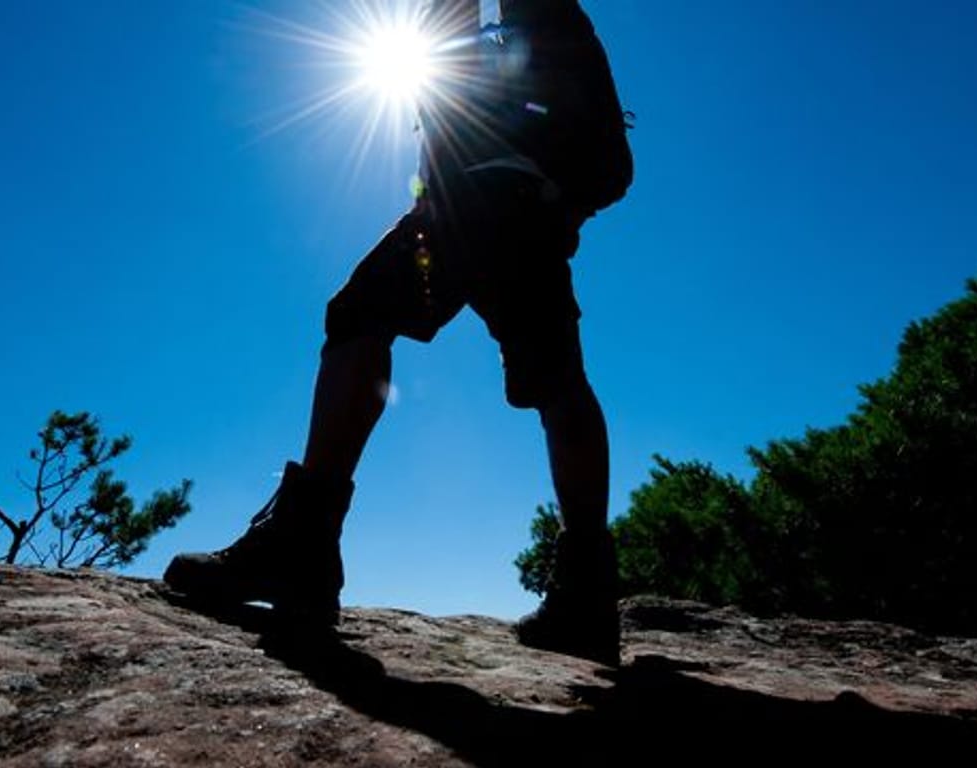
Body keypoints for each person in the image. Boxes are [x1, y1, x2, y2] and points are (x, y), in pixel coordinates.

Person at [165, 0, 630, 667]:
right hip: (524, 222)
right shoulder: (547, 23)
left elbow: (607, 161)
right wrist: (552, 202)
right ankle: (587, 594)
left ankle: (302, 546)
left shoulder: (528, 20)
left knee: (357, 318)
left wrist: (525, 192)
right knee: (559, 380)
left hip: (474, 207)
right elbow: (609, 163)